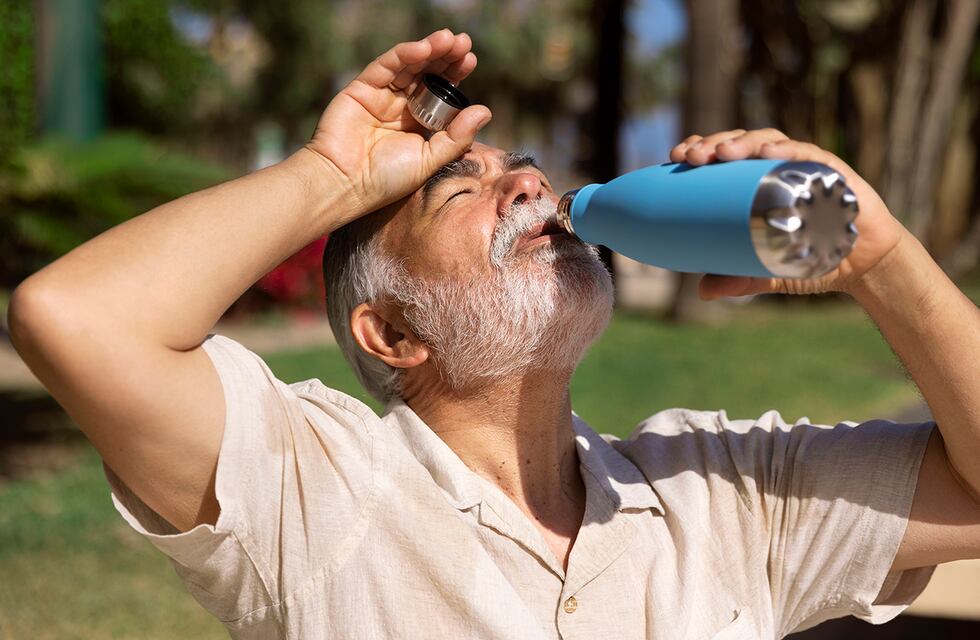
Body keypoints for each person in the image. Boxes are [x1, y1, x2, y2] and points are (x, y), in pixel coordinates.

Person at [8, 29, 980, 640]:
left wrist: (873, 253)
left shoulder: (724, 491)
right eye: (460, 191)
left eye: (521, 170)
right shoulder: (311, 490)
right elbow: (77, 319)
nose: (527, 185)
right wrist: (333, 177)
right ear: (390, 333)